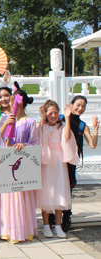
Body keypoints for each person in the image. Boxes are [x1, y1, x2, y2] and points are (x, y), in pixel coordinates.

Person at [0, 83, 39, 244]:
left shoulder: (30, 122)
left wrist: (24, 145)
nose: (9, 101)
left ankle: (23, 230)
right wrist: (5, 124)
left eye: (12, 99)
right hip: (7, 162)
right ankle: (6, 230)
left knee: (21, 198)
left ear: (21, 102)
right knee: (7, 198)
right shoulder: (5, 118)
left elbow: (35, 143)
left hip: (22, 165)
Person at [37, 100, 79, 239]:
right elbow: (38, 137)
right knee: (46, 192)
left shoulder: (61, 127)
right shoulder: (41, 125)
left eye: (56, 112)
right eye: (50, 113)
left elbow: (67, 137)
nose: (53, 115)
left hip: (59, 162)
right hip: (46, 162)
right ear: (46, 113)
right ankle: (46, 225)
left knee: (60, 190)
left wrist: (67, 117)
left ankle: (58, 225)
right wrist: (42, 118)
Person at [59, 96, 99, 232]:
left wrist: (95, 129)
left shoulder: (83, 125)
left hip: (71, 161)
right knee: (55, 186)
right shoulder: (60, 118)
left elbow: (92, 145)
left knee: (68, 189)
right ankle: (52, 216)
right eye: (78, 105)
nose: (80, 108)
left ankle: (66, 217)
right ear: (71, 104)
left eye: (83, 106)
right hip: (57, 159)